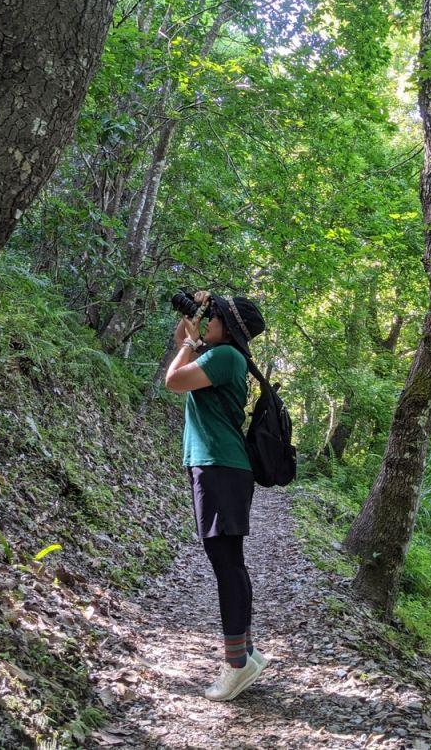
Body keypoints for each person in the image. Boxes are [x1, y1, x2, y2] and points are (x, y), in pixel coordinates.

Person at [164, 290, 268, 702]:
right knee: (229, 563)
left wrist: (192, 341)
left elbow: (173, 379)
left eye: (214, 317)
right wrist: (195, 317)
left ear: (229, 327)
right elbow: (181, 344)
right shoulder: (219, 354)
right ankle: (246, 654)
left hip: (220, 468)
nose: (206, 322)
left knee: (227, 566)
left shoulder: (226, 358)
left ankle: (236, 666)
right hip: (218, 467)